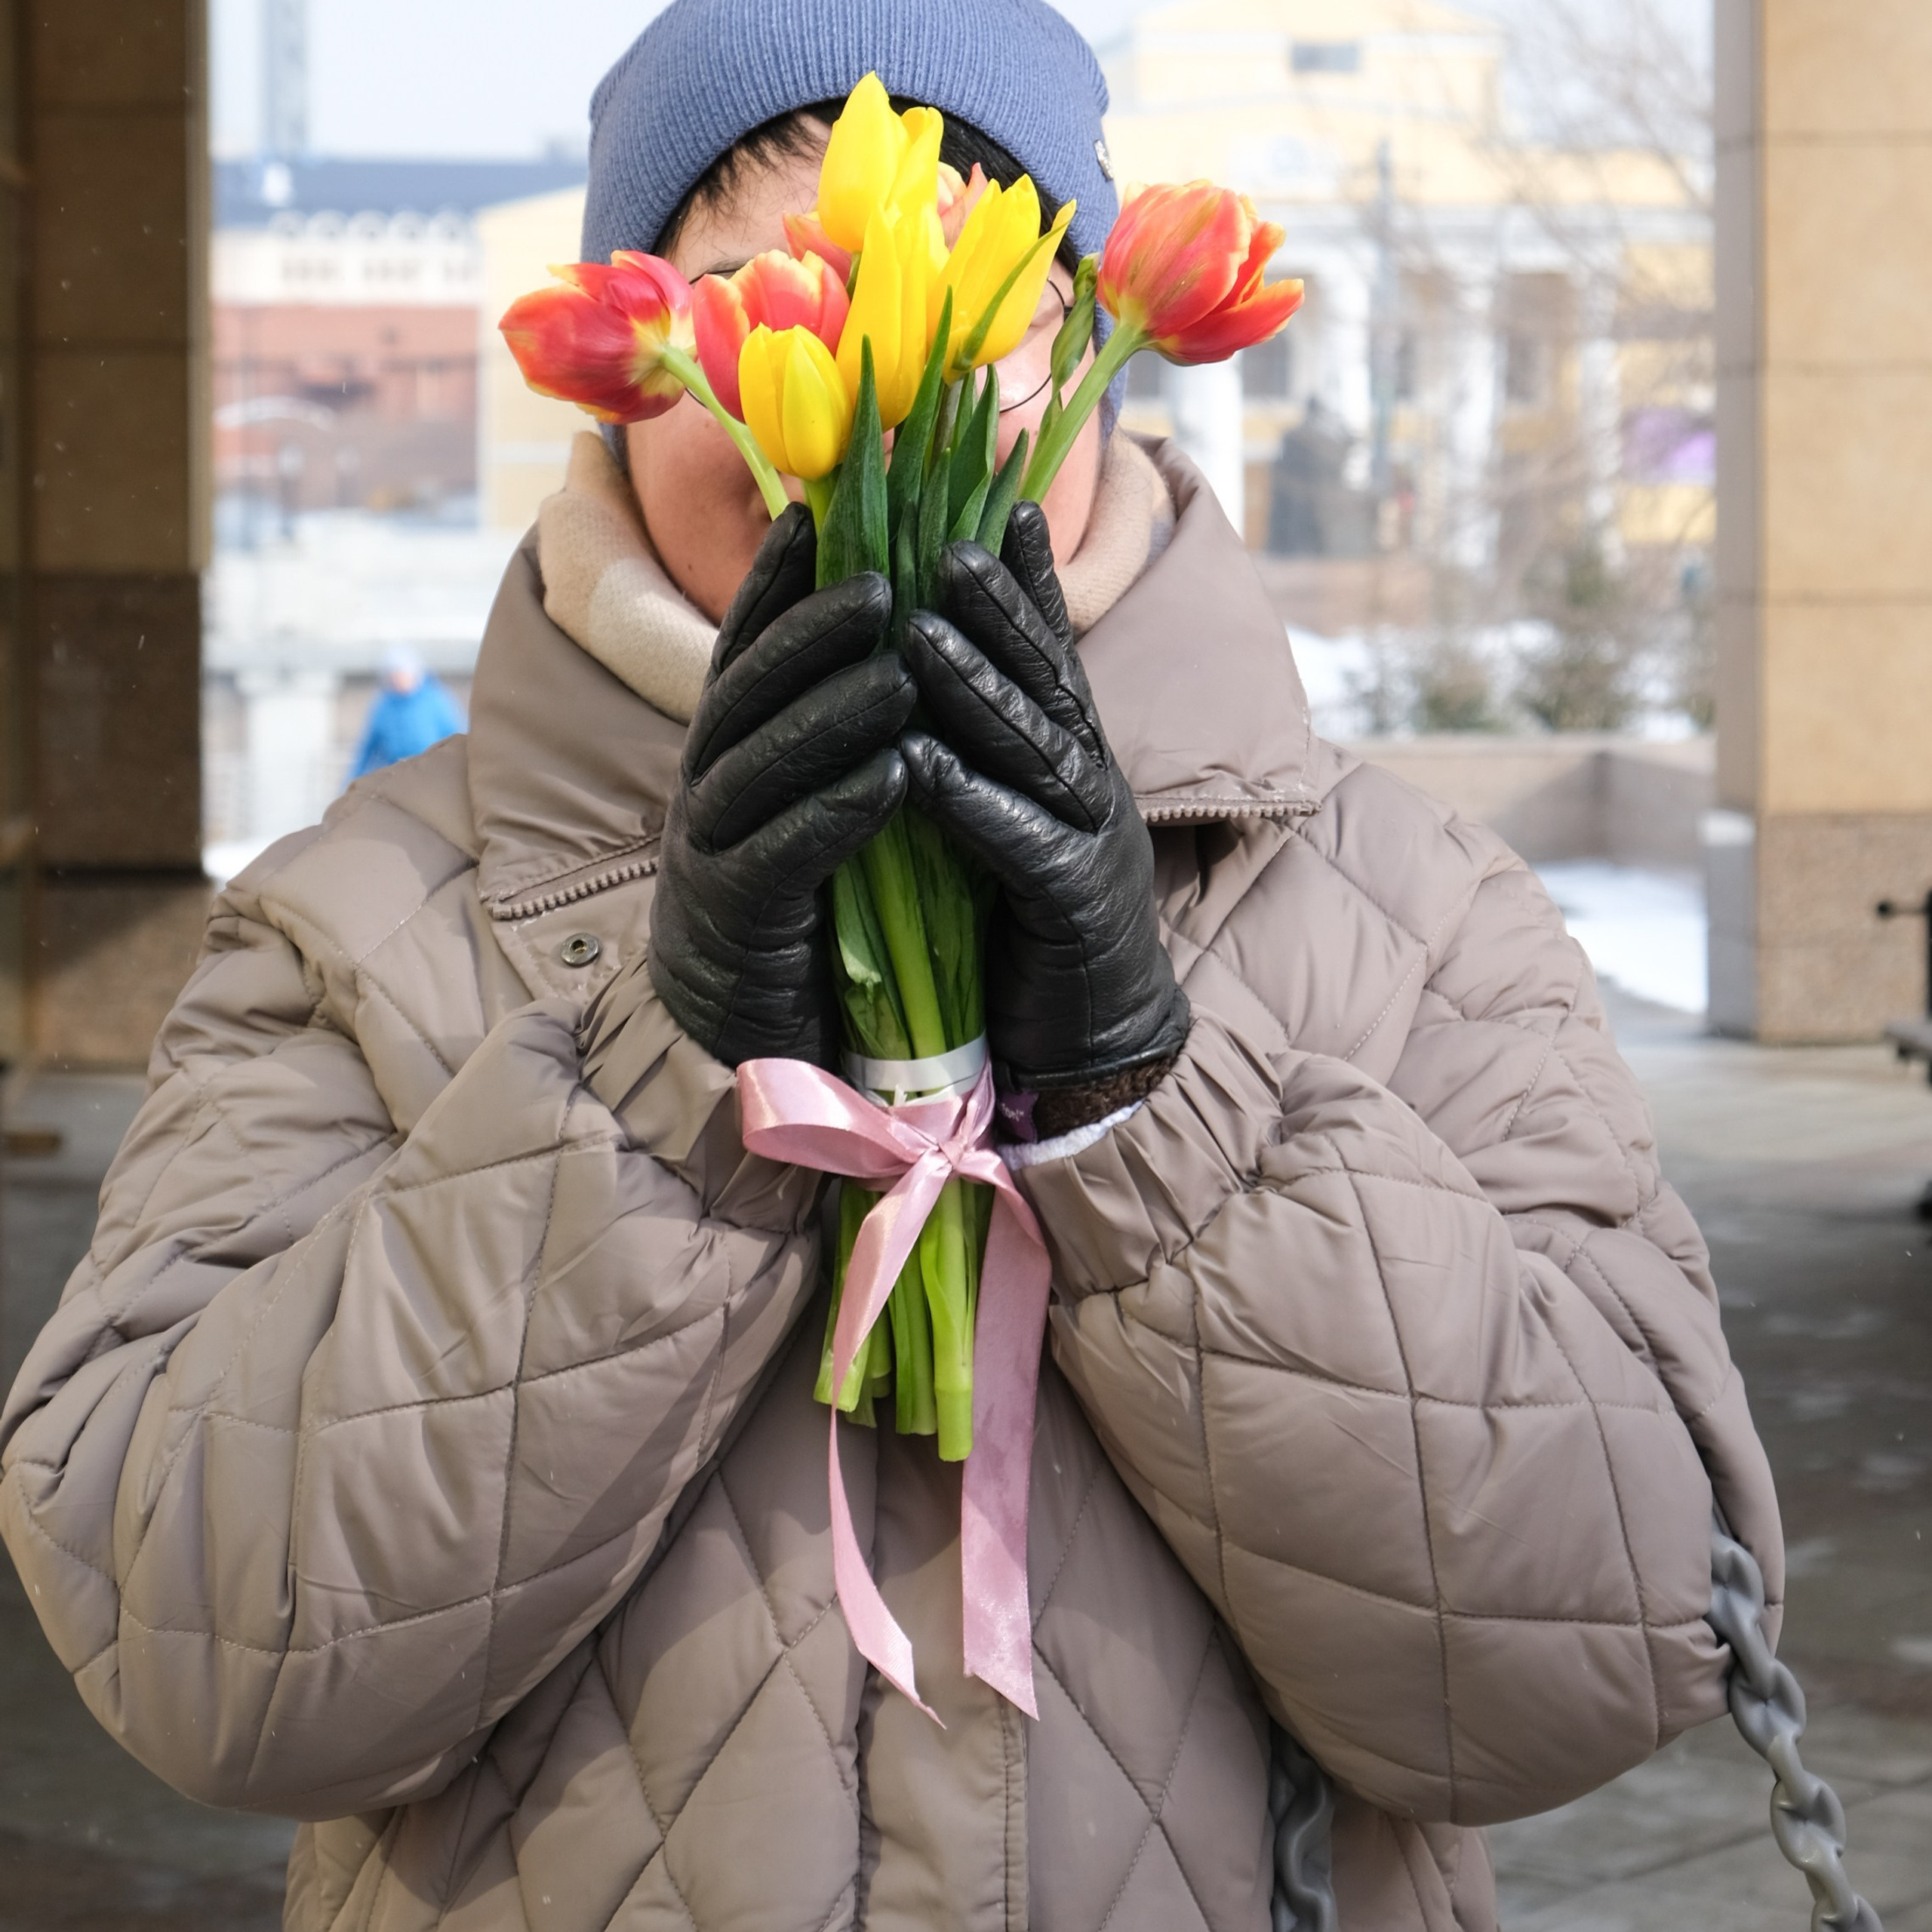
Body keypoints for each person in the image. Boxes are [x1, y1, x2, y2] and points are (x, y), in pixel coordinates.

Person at [0, 4, 1782, 1928]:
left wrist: (1154, 1107)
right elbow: (191, 1645)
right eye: (765, 301)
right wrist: (656, 1094)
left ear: (1096, 352)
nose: (861, 378)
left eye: (966, 307)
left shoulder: (1413, 907)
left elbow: (1598, 1636)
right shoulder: (351, 917)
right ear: (625, 369)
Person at [346, 643, 466, 781]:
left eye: (402, 674)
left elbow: (455, 736)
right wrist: (351, 782)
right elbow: (368, 748)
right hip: (396, 775)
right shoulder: (383, 706)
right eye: (394, 676)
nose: (399, 680)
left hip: (431, 775)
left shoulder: (435, 700)